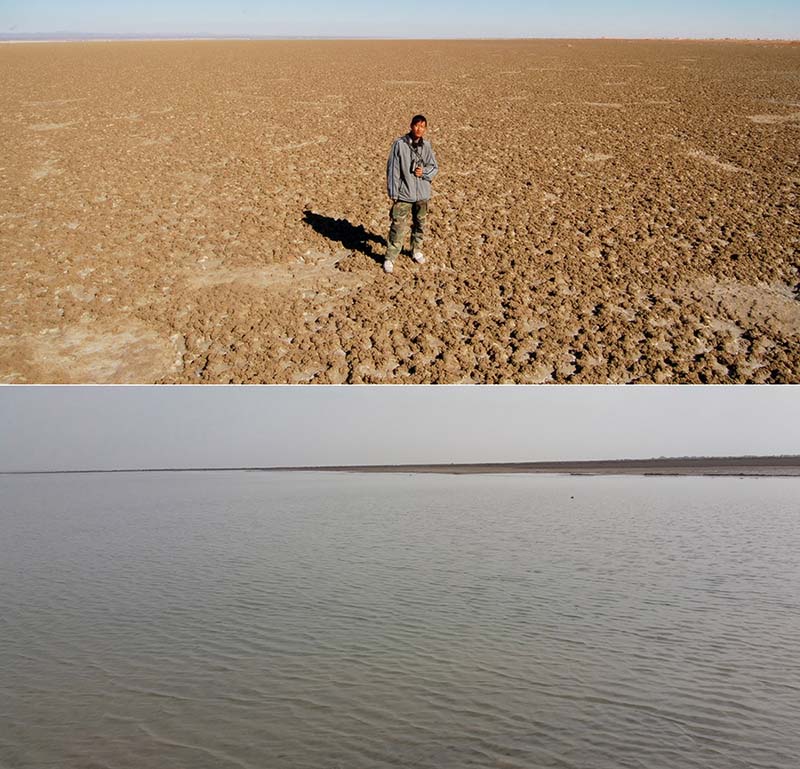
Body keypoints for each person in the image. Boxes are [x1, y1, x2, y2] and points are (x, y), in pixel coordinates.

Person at [384, 114, 439, 274]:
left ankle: (416, 251)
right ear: (411, 126)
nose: (419, 129)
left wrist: (424, 172)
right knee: (397, 226)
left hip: (422, 194)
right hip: (404, 194)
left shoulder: (426, 146)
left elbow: (434, 167)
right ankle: (390, 257)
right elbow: (392, 170)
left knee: (420, 225)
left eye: (422, 126)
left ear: (425, 129)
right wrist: (394, 193)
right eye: (416, 125)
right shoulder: (399, 145)